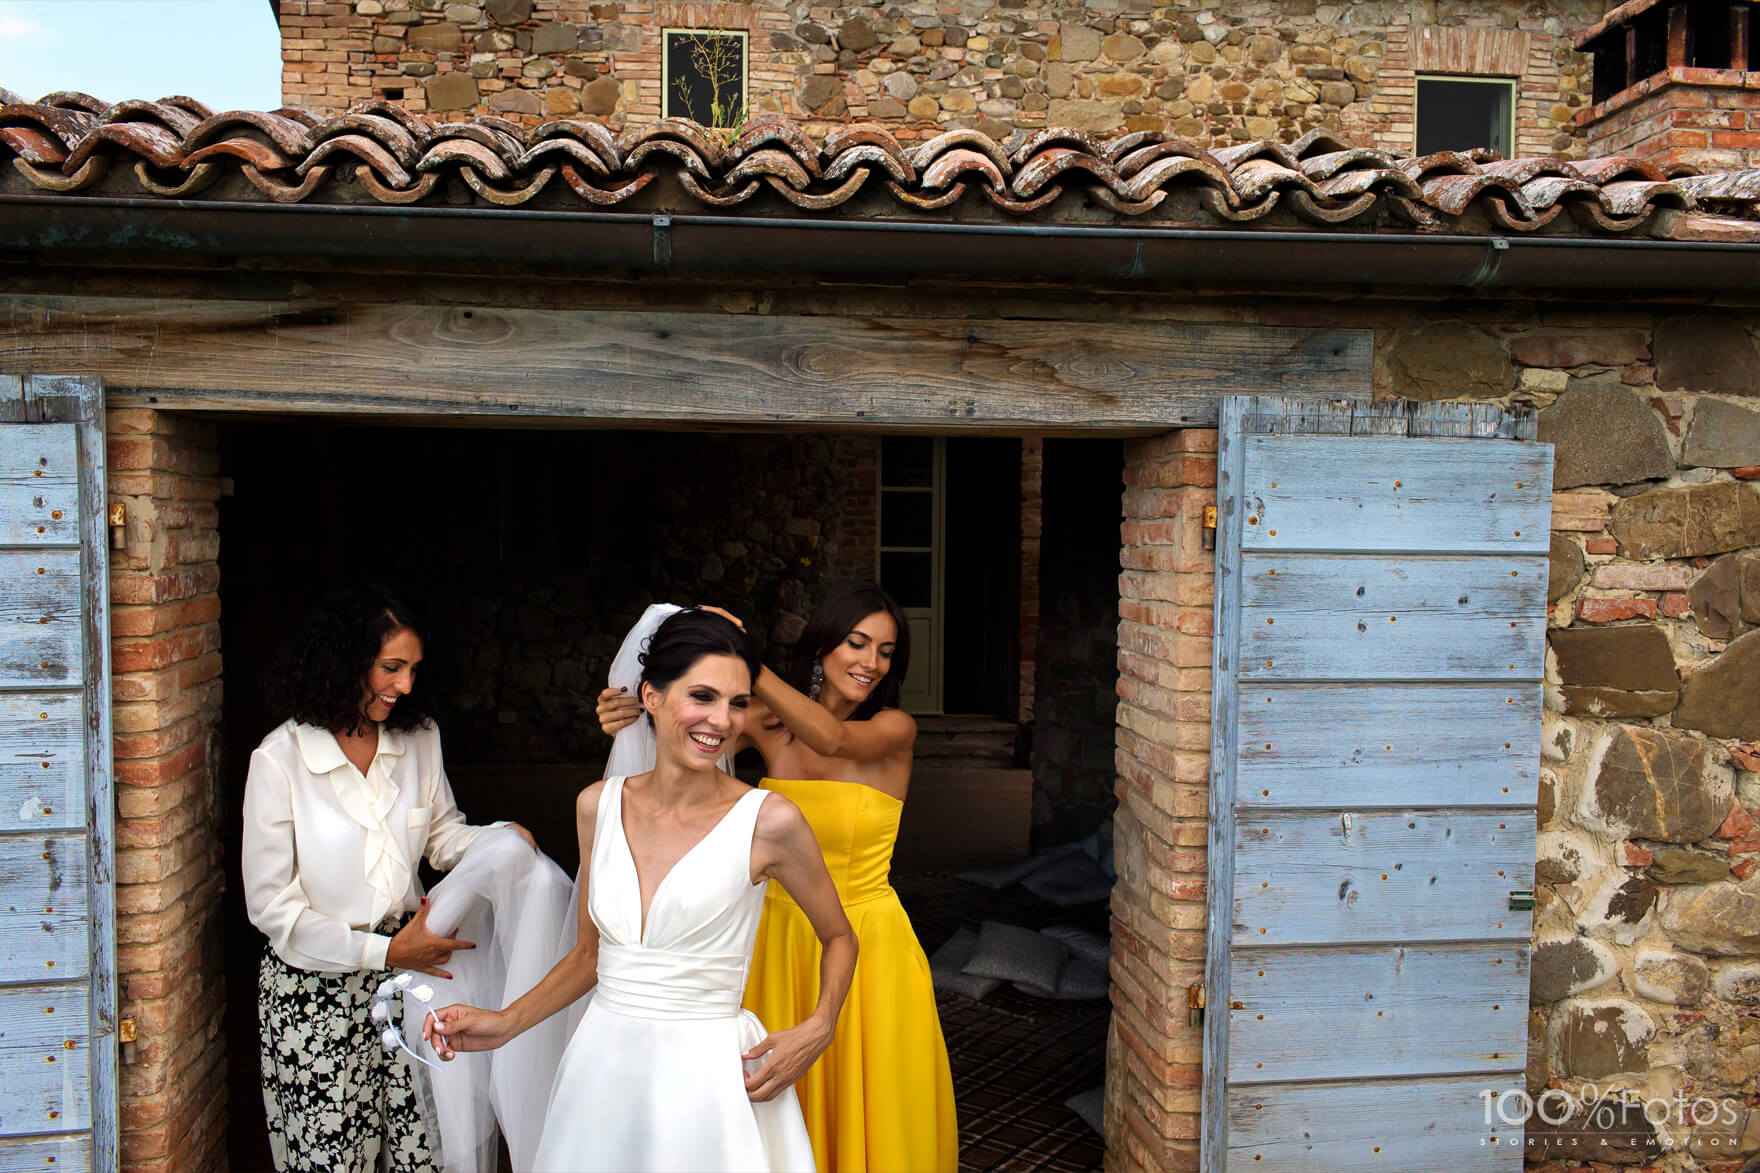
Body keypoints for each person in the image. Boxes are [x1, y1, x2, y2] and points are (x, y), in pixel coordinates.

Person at [426, 608, 857, 1173]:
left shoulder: (769, 822)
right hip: (602, 1070)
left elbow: (840, 936)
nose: (721, 720)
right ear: (651, 697)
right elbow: (590, 955)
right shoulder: (595, 806)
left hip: (708, 1083)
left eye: (737, 702)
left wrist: (820, 1027)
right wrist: (505, 1022)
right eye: (701, 696)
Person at [596, 581, 958, 1173]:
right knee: (764, 1113)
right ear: (821, 647)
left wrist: (745, 656)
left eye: (886, 652)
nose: (870, 662)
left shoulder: (895, 729)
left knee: (870, 1109)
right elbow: (686, 730)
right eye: (856, 643)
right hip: (770, 942)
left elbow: (833, 737)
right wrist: (628, 713)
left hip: (867, 946)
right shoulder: (760, 721)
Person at [242, 584, 533, 1173]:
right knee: (331, 1160)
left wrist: (502, 837)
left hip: (410, 986)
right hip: (313, 995)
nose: (405, 686)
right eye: (391, 668)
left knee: (419, 1153)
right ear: (345, 660)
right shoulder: (280, 760)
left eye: (413, 670)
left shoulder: (419, 739)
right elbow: (272, 906)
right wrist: (384, 949)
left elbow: (443, 837)